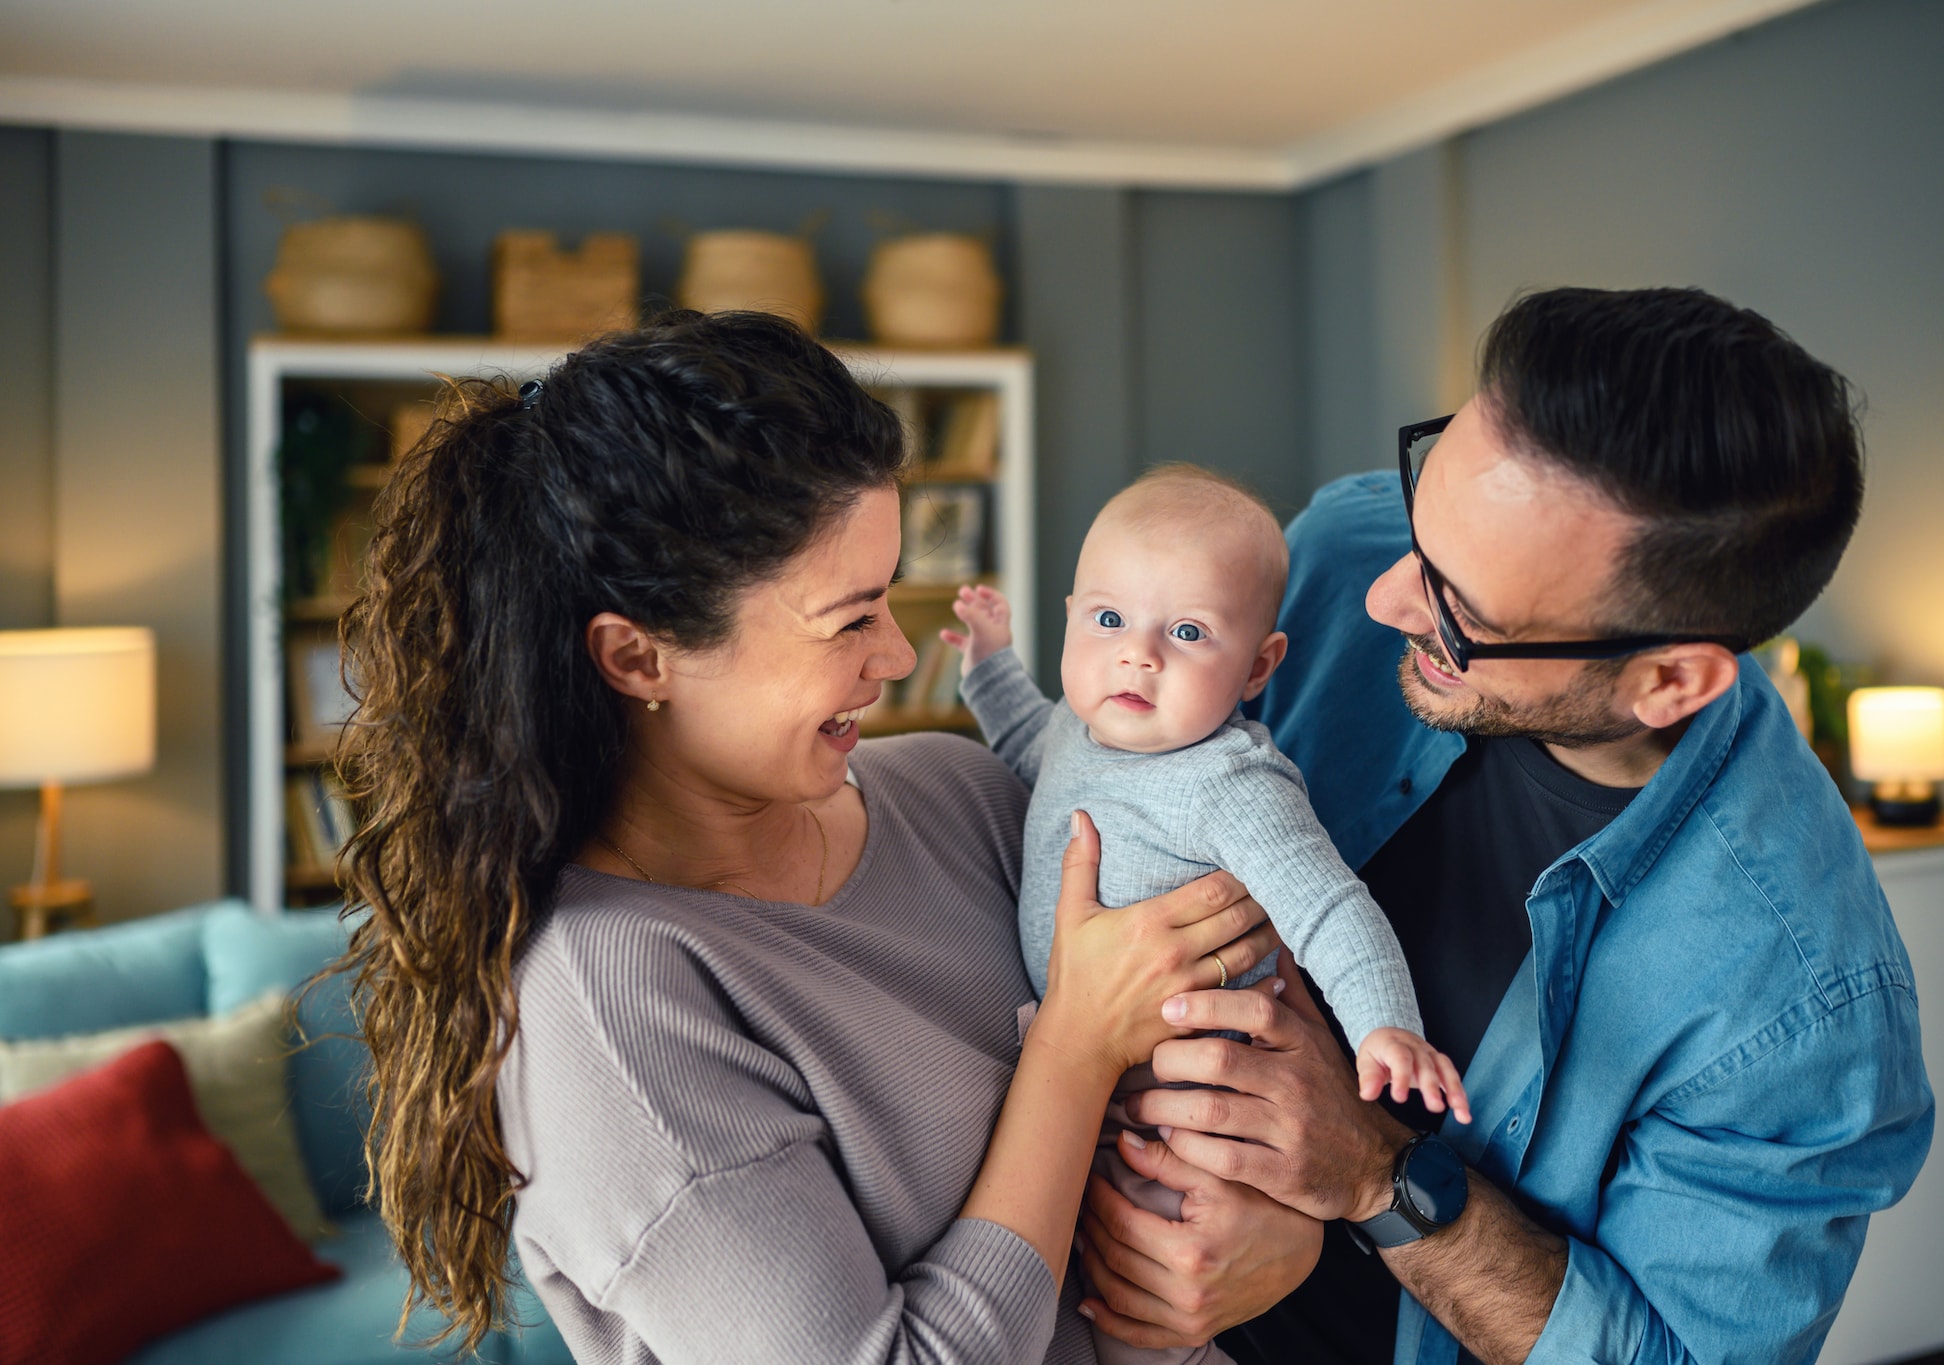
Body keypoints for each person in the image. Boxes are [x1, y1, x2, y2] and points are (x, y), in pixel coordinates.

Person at [318, 310, 1293, 1364]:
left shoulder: (963, 792)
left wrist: (1277, 1234)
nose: (894, 653)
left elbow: (1258, 1055)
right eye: (850, 618)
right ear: (638, 659)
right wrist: (1071, 1045)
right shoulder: (610, 1007)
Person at [1071, 287, 1937, 1365]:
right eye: (1418, 508)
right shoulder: (1347, 549)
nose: (1382, 596)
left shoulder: (1799, 994)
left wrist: (1376, 1179)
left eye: (1459, 610)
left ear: (1667, 679)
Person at [943, 466, 1469, 1365]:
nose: (1137, 655)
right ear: (1070, 616)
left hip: (1190, 1116)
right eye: (1108, 621)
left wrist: (1388, 1024)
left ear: (1259, 664)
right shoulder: (1084, 725)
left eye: (1186, 632)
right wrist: (991, 664)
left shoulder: (1229, 785)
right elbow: (1028, 741)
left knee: (1143, 1302)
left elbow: (1331, 906)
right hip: (1092, 1081)